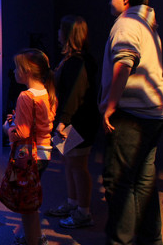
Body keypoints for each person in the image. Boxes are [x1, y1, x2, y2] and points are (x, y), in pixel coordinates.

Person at [100, 0, 163, 245]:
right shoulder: (147, 25)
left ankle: (121, 242)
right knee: (143, 178)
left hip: (133, 113)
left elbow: (124, 64)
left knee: (118, 181)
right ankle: (150, 239)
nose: (111, 2)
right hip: (156, 111)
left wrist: (110, 104)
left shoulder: (127, 24)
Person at [44, 15, 99, 229]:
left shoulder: (78, 62)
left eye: (60, 29)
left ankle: (84, 212)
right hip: (70, 120)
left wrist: (63, 121)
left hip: (78, 121)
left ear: (68, 34)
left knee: (78, 166)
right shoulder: (71, 59)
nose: (57, 32)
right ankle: (72, 203)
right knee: (69, 163)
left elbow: (75, 94)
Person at [3, 49, 57, 245]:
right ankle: (33, 236)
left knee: (26, 205)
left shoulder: (26, 96)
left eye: (17, 67)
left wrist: (8, 128)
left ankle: (33, 240)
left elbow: (23, 133)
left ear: (27, 70)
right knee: (31, 202)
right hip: (44, 153)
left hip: (29, 157)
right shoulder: (47, 92)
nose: (14, 71)